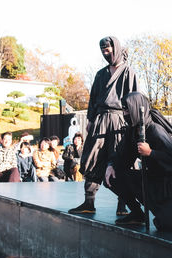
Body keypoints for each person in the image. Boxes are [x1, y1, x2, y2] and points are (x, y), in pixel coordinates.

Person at [68, 36, 139, 215]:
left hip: (119, 120)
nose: (105, 53)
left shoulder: (128, 72)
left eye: (108, 50)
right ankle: (89, 202)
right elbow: (93, 99)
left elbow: (133, 99)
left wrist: (132, 123)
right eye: (103, 51)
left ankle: (123, 205)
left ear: (116, 48)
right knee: (93, 158)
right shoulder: (100, 74)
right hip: (100, 120)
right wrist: (91, 120)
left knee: (119, 160)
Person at [105, 92, 172, 231]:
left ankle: (167, 212)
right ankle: (138, 214)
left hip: (170, 187)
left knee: (169, 225)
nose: (125, 113)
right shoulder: (132, 131)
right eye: (124, 110)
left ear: (136, 108)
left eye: (127, 110)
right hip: (151, 181)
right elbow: (121, 155)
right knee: (113, 176)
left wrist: (151, 153)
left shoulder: (155, 130)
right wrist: (111, 165)